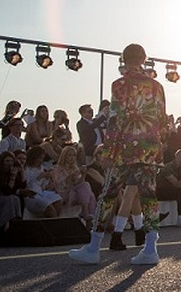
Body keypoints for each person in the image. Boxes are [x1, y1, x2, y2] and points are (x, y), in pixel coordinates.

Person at [69, 43, 166, 265]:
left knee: (109, 193)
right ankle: (151, 249)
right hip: (149, 147)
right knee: (149, 196)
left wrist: (108, 149)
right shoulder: (156, 86)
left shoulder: (119, 85)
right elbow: (161, 118)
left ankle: (94, 247)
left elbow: (116, 118)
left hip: (124, 147)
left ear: (123, 59)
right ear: (144, 58)